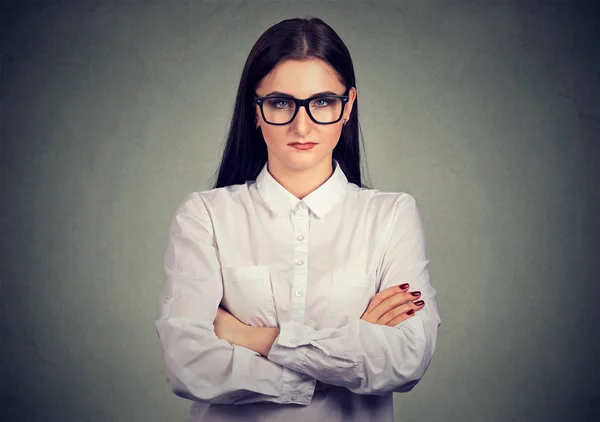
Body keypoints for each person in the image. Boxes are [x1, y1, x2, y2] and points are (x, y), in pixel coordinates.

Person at [153, 16, 442, 422]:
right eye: (280, 103)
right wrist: (335, 363)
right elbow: (187, 366)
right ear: (255, 110)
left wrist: (251, 337)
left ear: (348, 106)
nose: (301, 124)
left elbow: (404, 360)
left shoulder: (391, 216)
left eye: (323, 101)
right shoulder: (206, 215)